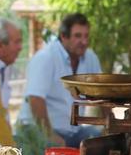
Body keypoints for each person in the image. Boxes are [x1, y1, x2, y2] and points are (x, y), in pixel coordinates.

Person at [25, 13, 103, 147]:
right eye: (78, 36)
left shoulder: (90, 57)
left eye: (86, 36)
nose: (84, 42)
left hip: (74, 131)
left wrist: (112, 127)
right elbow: (35, 99)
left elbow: (102, 92)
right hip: (40, 131)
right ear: (63, 36)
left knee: (100, 141)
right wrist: (49, 135)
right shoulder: (45, 57)